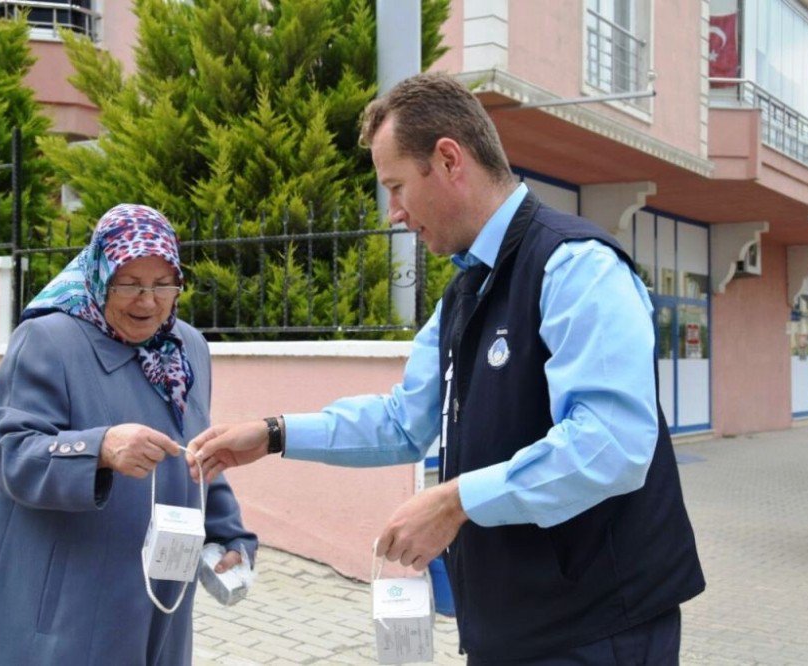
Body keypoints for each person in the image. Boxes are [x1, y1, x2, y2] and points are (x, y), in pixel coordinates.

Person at [189, 72, 704, 664]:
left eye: (397, 186)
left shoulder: (575, 267)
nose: (394, 214)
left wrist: (455, 501)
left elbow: (612, 444)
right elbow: (406, 422)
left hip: (595, 629)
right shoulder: (465, 291)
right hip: (508, 628)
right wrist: (274, 433)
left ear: (450, 159)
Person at [0, 204, 257, 665]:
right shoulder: (49, 340)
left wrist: (227, 534)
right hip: (66, 598)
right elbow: (9, 451)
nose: (148, 301)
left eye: (162, 285)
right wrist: (100, 449)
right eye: (130, 283)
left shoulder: (187, 347)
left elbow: (196, 451)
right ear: (99, 274)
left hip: (159, 593)